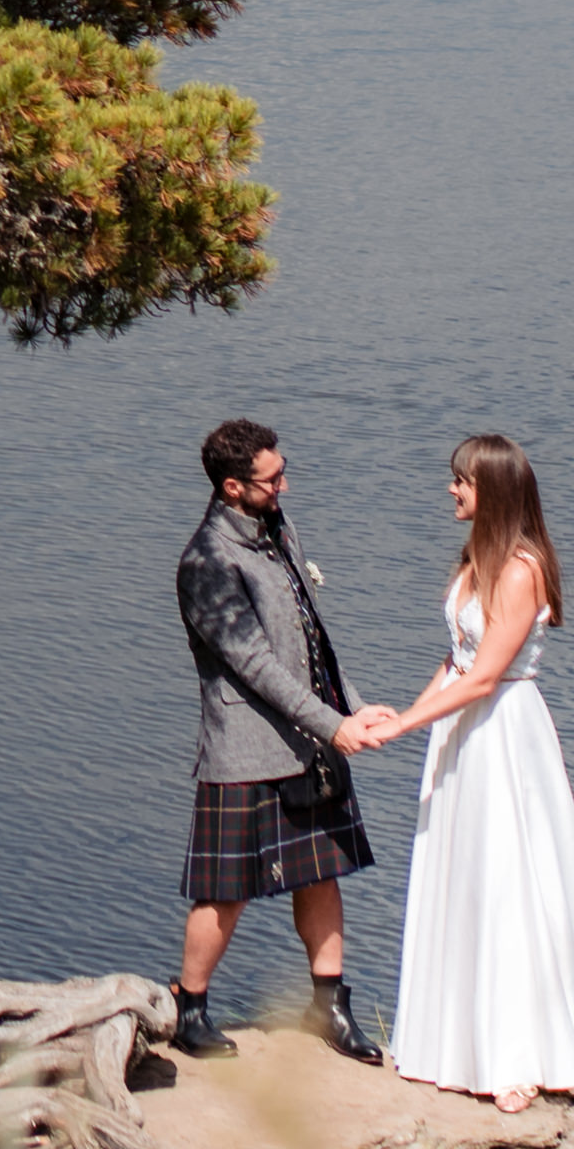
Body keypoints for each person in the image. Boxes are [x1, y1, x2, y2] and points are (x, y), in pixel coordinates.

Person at [344, 433, 574, 1102]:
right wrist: (401, 718)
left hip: (504, 735)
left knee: (510, 885)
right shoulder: (474, 561)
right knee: (466, 880)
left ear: (494, 491)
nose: (452, 490)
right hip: (463, 736)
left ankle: (522, 1061)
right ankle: (457, 1046)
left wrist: (413, 725)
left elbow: (484, 679)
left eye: (463, 481)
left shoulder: (521, 569)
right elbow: (454, 659)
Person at [170, 416, 391, 1062]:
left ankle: (329, 1009)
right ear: (233, 488)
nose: (284, 485)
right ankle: (191, 1009)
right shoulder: (207, 562)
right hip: (245, 749)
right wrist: (334, 726)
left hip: (308, 740)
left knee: (323, 874)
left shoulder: (276, 532)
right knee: (226, 889)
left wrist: (350, 706)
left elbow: (309, 636)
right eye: (272, 480)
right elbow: (256, 665)